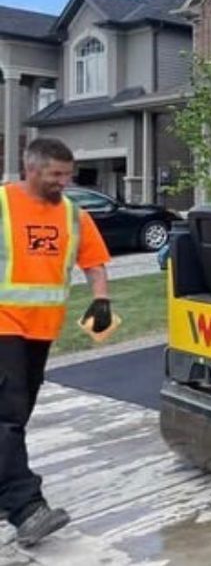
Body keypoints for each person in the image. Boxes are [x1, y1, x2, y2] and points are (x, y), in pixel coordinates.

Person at [0, 138, 113, 547]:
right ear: (31, 169)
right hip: (3, 325)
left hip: (42, 330)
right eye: (56, 175)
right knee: (6, 414)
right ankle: (26, 508)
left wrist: (101, 298)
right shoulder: (2, 204)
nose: (65, 182)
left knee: (19, 412)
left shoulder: (73, 215)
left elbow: (93, 261)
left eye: (69, 174)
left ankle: (5, 484)